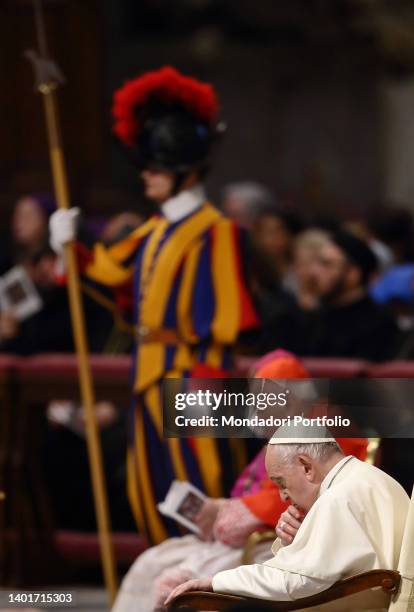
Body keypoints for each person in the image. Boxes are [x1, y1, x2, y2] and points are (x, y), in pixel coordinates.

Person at [49, 66, 259, 544]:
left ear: (184, 170)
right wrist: (70, 245)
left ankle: (208, 580)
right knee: (153, 486)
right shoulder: (153, 229)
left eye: (157, 167)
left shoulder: (217, 231)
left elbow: (225, 324)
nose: (146, 175)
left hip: (194, 376)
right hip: (146, 371)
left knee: (198, 482)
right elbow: (108, 272)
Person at [112, 352, 368, 611]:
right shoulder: (282, 432)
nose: (258, 411)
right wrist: (222, 511)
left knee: (177, 583)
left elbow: (315, 491)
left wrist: (240, 512)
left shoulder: (324, 426)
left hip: (274, 540)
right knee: (151, 562)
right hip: (248, 538)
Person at [166, 425, 409, 609]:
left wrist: (215, 582)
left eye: (281, 483)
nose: (283, 496)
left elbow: (298, 581)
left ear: (306, 466)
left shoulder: (338, 497)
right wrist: (298, 539)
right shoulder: (368, 478)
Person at [282, 229, 399, 360]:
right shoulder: (312, 317)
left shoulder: (378, 326)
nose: (314, 272)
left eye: (326, 264)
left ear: (353, 274)